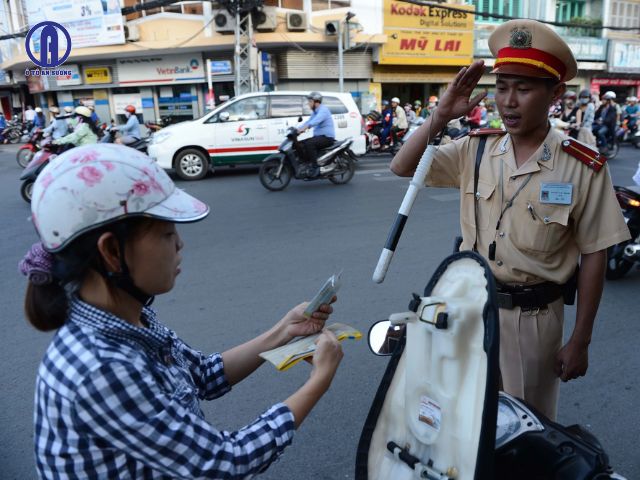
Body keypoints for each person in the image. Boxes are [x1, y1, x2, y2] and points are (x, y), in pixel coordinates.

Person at [19, 144, 343, 477]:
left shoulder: (127, 318)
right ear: (112, 251)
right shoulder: (101, 367)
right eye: (166, 232)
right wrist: (320, 379)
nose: (179, 244)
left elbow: (202, 375)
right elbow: (224, 464)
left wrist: (284, 331)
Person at [390, 19, 630, 420]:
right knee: (461, 425)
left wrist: (581, 340)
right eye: (502, 88)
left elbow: (594, 254)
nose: (509, 102)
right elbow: (402, 166)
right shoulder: (475, 150)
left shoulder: (581, 166)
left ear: (555, 94)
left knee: (526, 429)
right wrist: (441, 115)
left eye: (524, 88)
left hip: (534, 322)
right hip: (468, 311)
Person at [297, 92, 335, 174]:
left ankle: (315, 167)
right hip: (319, 137)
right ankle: (306, 163)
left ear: (316, 102)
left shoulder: (323, 110)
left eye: (310, 102)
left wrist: (305, 128)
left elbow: (316, 121)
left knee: (309, 144)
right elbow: (309, 121)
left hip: (327, 137)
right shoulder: (315, 112)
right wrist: (297, 129)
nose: (308, 104)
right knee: (301, 144)